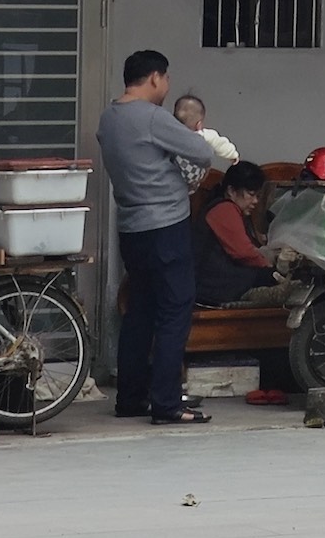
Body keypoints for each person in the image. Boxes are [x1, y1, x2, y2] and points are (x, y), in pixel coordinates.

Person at [97, 49, 224, 424]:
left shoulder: (109, 118)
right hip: (166, 226)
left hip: (131, 227)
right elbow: (200, 151)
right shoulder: (151, 117)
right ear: (154, 77)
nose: (167, 87)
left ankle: (131, 399)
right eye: (166, 79)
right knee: (174, 312)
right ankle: (167, 403)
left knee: (140, 312)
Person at [194, 161, 288, 308]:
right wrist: (269, 267)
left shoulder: (227, 208)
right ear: (231, 191)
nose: (255, 201)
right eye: (251, 194)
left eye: (258, 196)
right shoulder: (224, 209)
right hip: (211, 287)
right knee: (274, 279)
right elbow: (244, 253)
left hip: (211, 283)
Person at [169, 93, 238, 189]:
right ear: (199, 124)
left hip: (173, 176)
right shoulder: (204, 135)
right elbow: (221, 144)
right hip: (192, 179)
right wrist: (233, 155)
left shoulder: (169, 134)